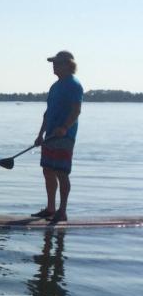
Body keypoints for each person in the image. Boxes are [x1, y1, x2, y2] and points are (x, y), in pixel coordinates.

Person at [32, 50, 83, 223]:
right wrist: (40, 134)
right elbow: (48, 113)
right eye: (53, 63)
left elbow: (76, 110)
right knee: (47, 170)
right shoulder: (55, 86)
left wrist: (65, 127)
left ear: (68, 65)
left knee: (61, 172)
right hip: (50, 136)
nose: (54, 66)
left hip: (64, 136)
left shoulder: (74, 85)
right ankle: (50, 208)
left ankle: (62, 211)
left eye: (58, 63)